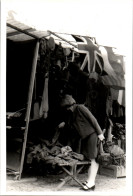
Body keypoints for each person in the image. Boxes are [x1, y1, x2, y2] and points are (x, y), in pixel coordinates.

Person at [58, 94, 105, 191]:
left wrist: (100, 133)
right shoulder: (72, 113)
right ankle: (89, 181)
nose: (67, 109)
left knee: (93, 159)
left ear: (71, 104)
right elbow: (73, 125)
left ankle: (91, 182)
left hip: (93, 135)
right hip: (85, 138)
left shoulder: (80, 108)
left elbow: (93, 119)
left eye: (68, 107)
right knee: (89, 159)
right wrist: (65, 124)